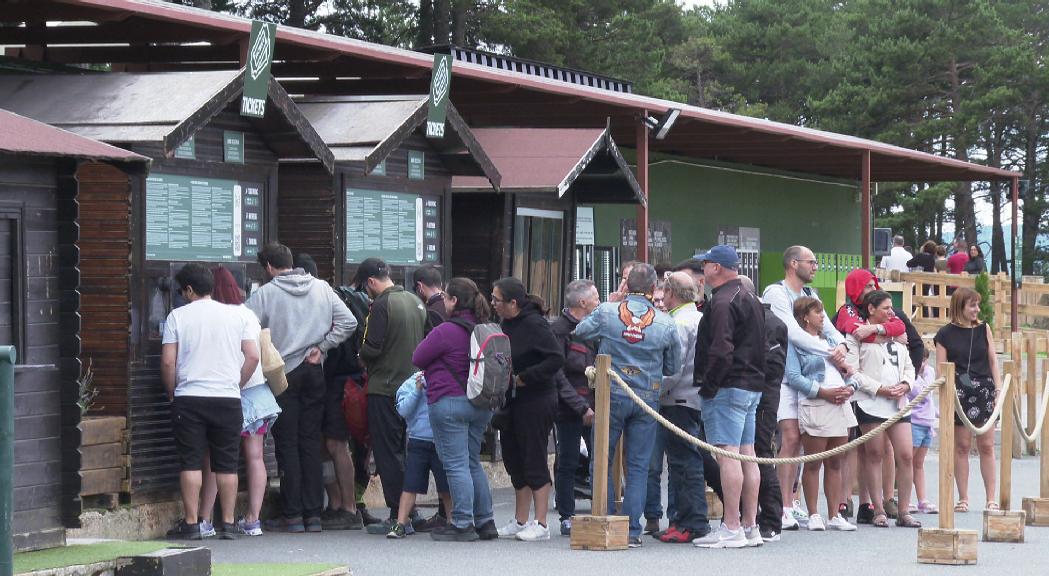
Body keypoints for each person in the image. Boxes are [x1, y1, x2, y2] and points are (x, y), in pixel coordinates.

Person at [247, 243, 357, 533]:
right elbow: (349, 322)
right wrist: (323, 346)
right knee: (310, 442)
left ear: (269, 267)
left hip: (283, 374)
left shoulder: (265, 294)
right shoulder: (321, 288)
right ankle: (314, 514)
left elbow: (244, 326)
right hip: (313, 371)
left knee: (287, 443)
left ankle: (292, 514)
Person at [574, 263, 681, 548]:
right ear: (652, 288)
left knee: (602, 459)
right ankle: (632, 530)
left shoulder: (608, 312)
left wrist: (612, 305)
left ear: (625, 285)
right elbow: (673, 366)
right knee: (638, 465)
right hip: (646, 396)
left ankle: (609, 520)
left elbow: (581, 332)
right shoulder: (666, 322)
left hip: (612, 393)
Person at [162, 264, 259, 540]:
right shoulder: (236, 316)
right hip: (227, 398)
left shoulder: (177, 317)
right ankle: (227, 523)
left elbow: (169, 360)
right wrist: (236, 384)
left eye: (182, 291)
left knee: (191, 462)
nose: (181, 295)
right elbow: (252, 356)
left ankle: (192, 523)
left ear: (189, 290)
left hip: (189, 397)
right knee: (227, 463)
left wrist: (172, 391)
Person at [762, 245, 848, 530]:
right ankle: (782, 504)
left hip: (812, 370)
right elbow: (792, 332)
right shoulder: (776, 292)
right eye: (811, 262)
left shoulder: (812, 295)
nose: (815, 267)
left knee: (802, 438)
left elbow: (829, 328)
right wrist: (828, 351)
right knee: (789, 438)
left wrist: (841, 346)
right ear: (793, 263)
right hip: (785, 375)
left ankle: (793, 501)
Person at [412, 277, 498, 542]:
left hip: (449, 402)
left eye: (447, 297)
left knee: (456, 464)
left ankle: (462, 523)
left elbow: (417, 358)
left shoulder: (445, 331)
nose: (444, 301)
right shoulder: (482, 329)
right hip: (480, 404)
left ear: (454, 301)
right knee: (472, 461)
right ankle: (485, 521)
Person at [198, 266, 281, 537]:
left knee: (216, 458)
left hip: (226, 391)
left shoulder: (213, 316)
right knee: (255, 457)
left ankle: (206, 519)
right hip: (257, 393)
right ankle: (252, 519)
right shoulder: (248, 314)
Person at [692, 245, 765, 549]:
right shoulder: (750, 296)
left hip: (728, 385)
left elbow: (721, 350)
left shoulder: (722, 301)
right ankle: (750, 525)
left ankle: (732, 525)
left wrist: (709, 386)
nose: (702, 270)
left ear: (717, 268)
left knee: (728, 455)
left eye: (705, 264)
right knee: (747, 453)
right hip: (751, 384)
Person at [352, 257, 427, 531]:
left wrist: (359, 356)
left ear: (371, 281)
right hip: (413, 387)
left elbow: (372, 348)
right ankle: (412, 511)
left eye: (365, 286)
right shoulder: (415, 301)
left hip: (384, 388)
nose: (365, 291)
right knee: (407, 451)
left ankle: (398, 514)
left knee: (388, 454)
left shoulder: (382, 305)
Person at [493, 278, 564, 542]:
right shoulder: (505, 323)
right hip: (511, 399)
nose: (493, 305)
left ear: (513, 302)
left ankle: (542, 522)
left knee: (534, 457)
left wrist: (525, 377)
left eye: (497, 300)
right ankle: (520, 519)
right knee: (514, 459)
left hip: (536, 398)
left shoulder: (535, 324)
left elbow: (556, 358)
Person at [846, 290, 920, 528]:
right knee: (874, 453)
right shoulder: (857, 335)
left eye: (891, 308)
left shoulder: (895, 333)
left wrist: (907, 383)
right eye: (886, 308)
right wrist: (879, 389)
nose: (891, 312)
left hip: (897, 401)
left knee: (906, 454)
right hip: (871, 401)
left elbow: (908, 363)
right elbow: (853, 371)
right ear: (871, 309)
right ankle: (877, 508)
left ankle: (904, 509)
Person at [785, 296, 858, 532]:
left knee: (836, 461)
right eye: (818, 313)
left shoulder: (831, 341)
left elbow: (850, 370)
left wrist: (850, 387)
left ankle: (835, 513)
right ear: (805, 316)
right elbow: (794, 377)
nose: (823, 317)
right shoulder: (795, 343)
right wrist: (823, 392)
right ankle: (814, 512)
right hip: (816, 401)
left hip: (840, 401)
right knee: (813, 462)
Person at [654, 272, 711, 544]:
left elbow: (672, 370)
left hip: (677, 399)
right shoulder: (700, 319)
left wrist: (652, 391)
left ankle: (691, 522)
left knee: (684, 463)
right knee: (689, 460)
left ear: (670, 293)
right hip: (697, 399)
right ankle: (683, 519)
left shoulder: (677, 323)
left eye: (664, 291)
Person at [934, 287, 1001, 513]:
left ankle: (991, 498)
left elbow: (993, 360)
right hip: (959, 393)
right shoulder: (944, 334)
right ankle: (963, 497)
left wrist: (998, 389)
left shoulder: (984, 329)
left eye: (977, 305)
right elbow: (941, 370)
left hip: (984, 391)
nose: (976, 310)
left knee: (987, 446)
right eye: (972, 305)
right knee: (961, 447)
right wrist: (945, 397)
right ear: (960, 306)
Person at [740, 275, 786, 543]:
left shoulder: (770, 323)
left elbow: (772, 366)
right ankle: (748, 514)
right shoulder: (751, 319)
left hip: (764, 397)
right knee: (742, 455)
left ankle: (771, 519)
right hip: (749, 392)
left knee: (762, 453)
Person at [551, 279, 599, 536]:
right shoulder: (560, 330)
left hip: (595, 402)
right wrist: (581, 407)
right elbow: (558, 375)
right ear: (582, 302)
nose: (599, 301)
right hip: (569, 406)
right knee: (568, 461)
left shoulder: (594, 327)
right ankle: (566, 515)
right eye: (595, 297)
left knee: (600, 460)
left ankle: (600, 511)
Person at [387, 372, 453, 539]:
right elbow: (403, 410)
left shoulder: (444, 376)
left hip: (440, 440)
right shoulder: (411, 382)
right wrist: (417, 390)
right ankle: (400, 523)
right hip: (418, 441)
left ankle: (453, 523)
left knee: (446, 487)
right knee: (410, 485)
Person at [908, 346, 939, 514]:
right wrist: (920, 375)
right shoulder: (910, 376)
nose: (923, 364)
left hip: (928, 423)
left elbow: (930, 398)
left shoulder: (929, 372)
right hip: (914, 421)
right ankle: (907, 499)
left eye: (925, 360)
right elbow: (922, 393)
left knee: (918, 463)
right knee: (907, 462)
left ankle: (922, 499)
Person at [414, 264, 447, 335]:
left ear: (420, 287)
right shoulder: (452, 305)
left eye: (415, 289)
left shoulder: (430, 313)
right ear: (440, 284)